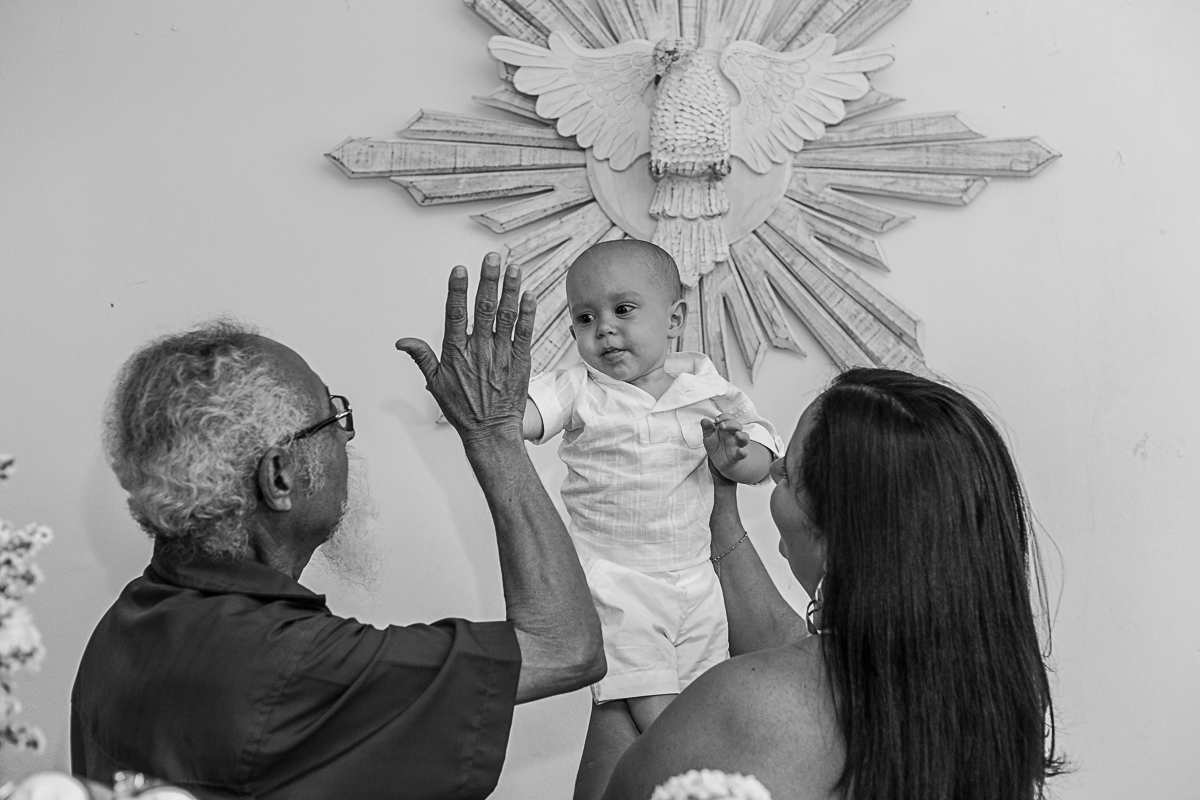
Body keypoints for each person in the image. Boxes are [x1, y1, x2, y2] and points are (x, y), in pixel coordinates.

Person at [71, 254, 605, 800]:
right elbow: (564, 647)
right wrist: (493, 434)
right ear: (279, 478)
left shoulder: (125, 623)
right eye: (332, 418)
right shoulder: (293, 666)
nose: (346, 438)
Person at [601, 368, 1065, 800]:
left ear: (840, 532)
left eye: (787, 475)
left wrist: (621, 652)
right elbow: (790, 646)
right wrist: (719, 503)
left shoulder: (746, 705)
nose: (774, 470)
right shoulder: (985, 699)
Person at [522, 240, 781, 798]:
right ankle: (703, 775)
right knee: (643, 692)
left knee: (704, 682)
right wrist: (486, 399)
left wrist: (737, 457)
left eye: (623, 310)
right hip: (614, 576)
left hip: (695, 576)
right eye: (585, 318)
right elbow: (517, 416)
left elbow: (760, 443)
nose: (605, 330)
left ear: (675, 319)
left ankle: (700, 762)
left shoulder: (705, 389)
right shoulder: (581, 389)